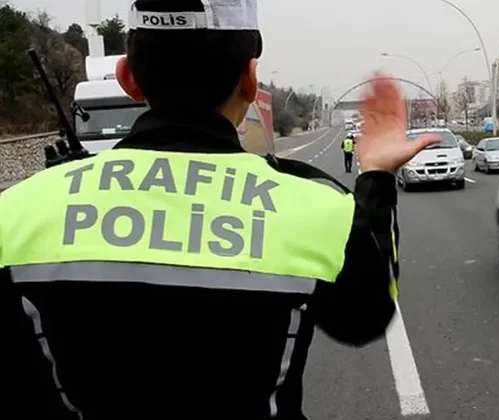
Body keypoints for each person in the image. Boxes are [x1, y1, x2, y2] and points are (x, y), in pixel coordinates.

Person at [0, 1, 440, 419]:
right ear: (250, 82)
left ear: (127, 78)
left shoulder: (16, 213)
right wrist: (377, 179)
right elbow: (365, 317)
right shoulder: (317, 207)